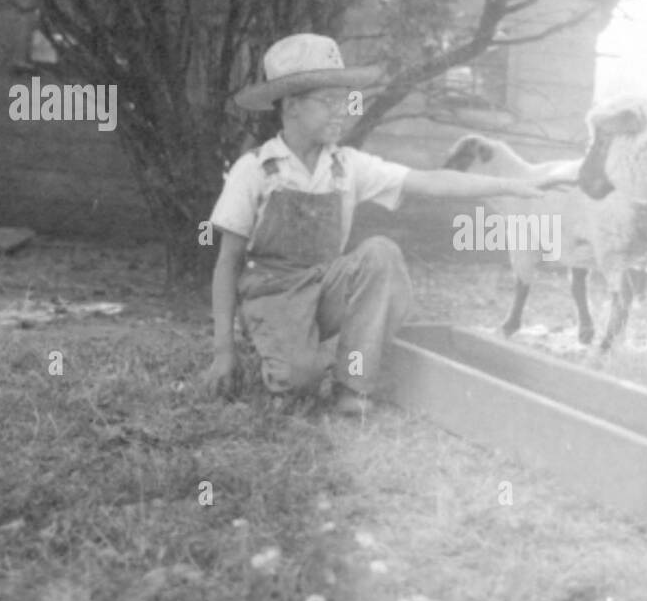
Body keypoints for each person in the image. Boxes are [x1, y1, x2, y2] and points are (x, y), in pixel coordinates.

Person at [202, 33, 554, 415]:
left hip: (326, 285)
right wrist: (224, 350)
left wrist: (513, 184)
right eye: (328, 102)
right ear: (291, 106)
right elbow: (227, 261)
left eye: (343, 100)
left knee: (381, 252)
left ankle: (352, 386)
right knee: (298, 384)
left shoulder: (346, 165)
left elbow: (430, 181)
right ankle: (291, 350)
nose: (342, 111)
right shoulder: (255, 169)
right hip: (273, 295)